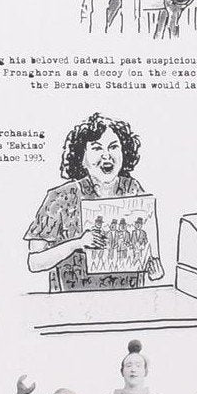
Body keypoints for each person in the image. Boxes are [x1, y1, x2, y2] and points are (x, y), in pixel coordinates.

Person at [24, 111, 163, 292]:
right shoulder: (60, 198)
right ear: (81, 158)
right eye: (97, 148)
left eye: (113, 147)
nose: (107, 155)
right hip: (71, 301)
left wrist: (154, 268)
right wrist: (77, 244)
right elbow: (34, 262)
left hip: (127, 299)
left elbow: (146, 249)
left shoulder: (133, 189)